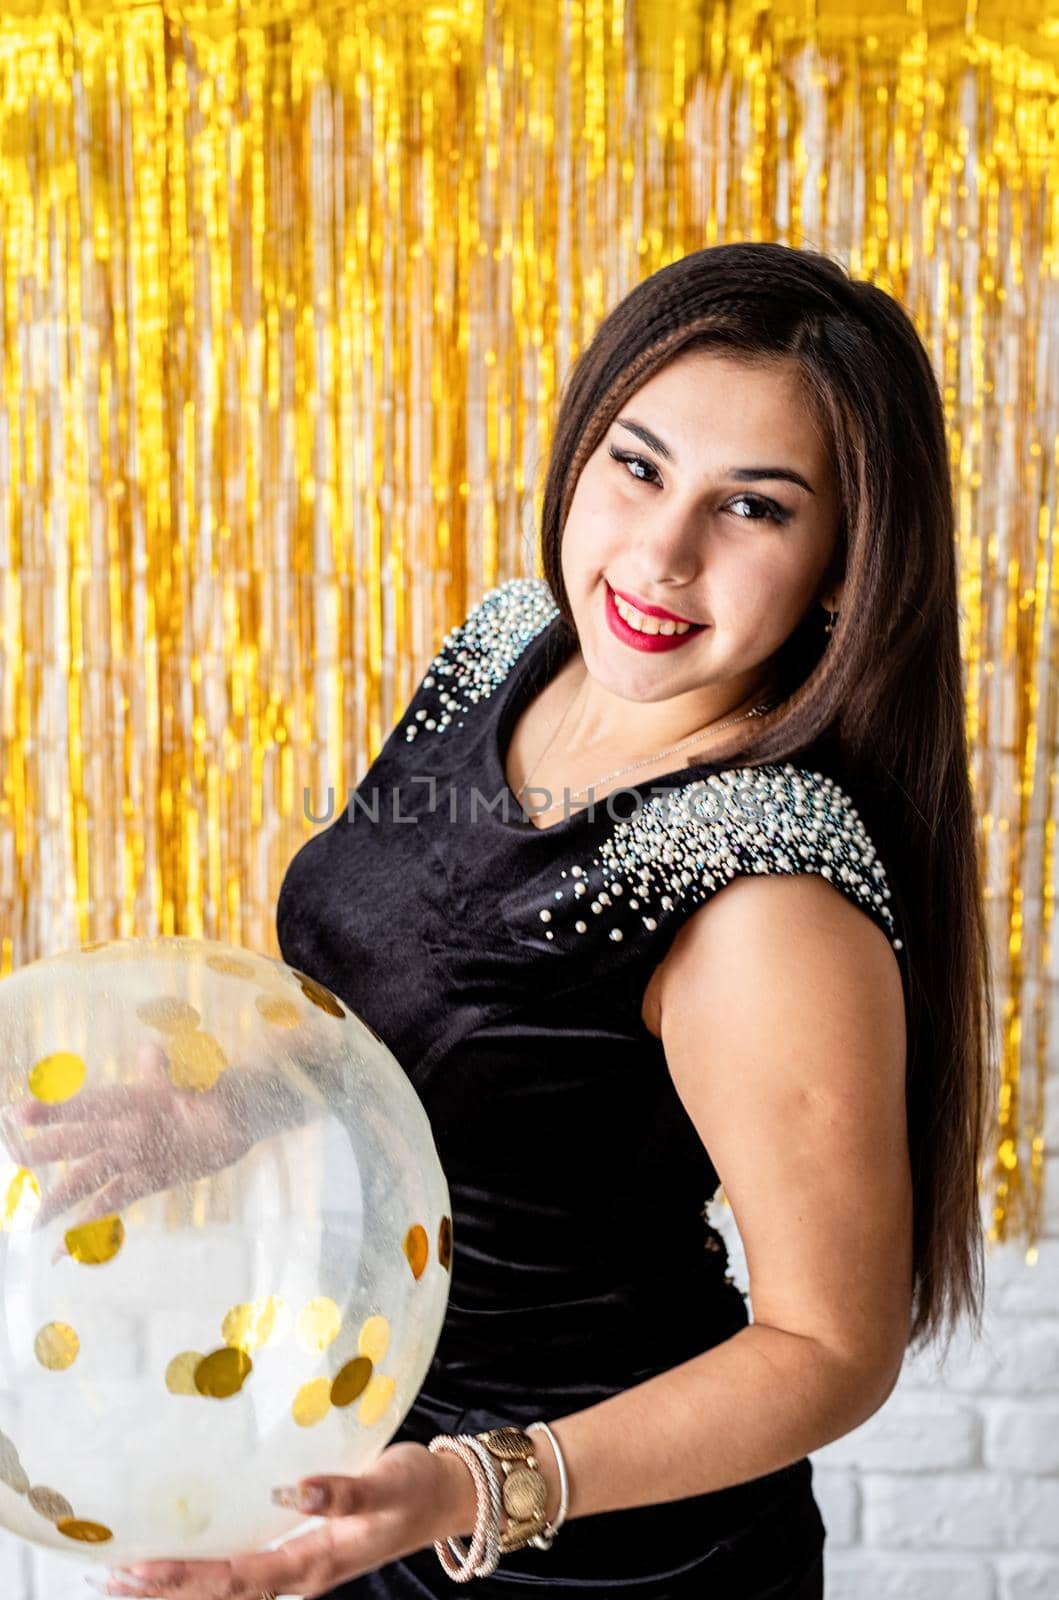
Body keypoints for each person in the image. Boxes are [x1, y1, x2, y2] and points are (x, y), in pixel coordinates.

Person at [13, 240, 995, 1599]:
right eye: (638, 467)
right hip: (364, 1454)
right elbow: (412, 986)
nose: (659, 554)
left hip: (594, 1548)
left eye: (754, 509)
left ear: (843, 565)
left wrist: (484, 1483)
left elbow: (836, 1350)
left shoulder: (769, 894)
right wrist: (238, 1104)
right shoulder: (511, 641)